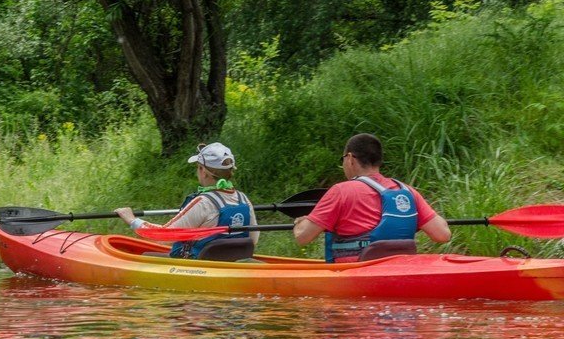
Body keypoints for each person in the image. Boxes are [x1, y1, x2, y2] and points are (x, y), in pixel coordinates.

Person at [293, 133, 450, 262]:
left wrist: (300, 223)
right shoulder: (406, 191)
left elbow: (303, 237)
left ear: (350, 158)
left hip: (355, 277)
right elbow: (443, 234)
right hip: (401, 270)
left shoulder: (341, 191)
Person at [115, 142, 258, 260]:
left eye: (198, 167)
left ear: (203, 171)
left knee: (144, 257)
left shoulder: (203, 202)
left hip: (199, 267)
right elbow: (253, 240)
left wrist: (131, 219)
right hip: (233, 265)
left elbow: (162, 236)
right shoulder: (243, 199)